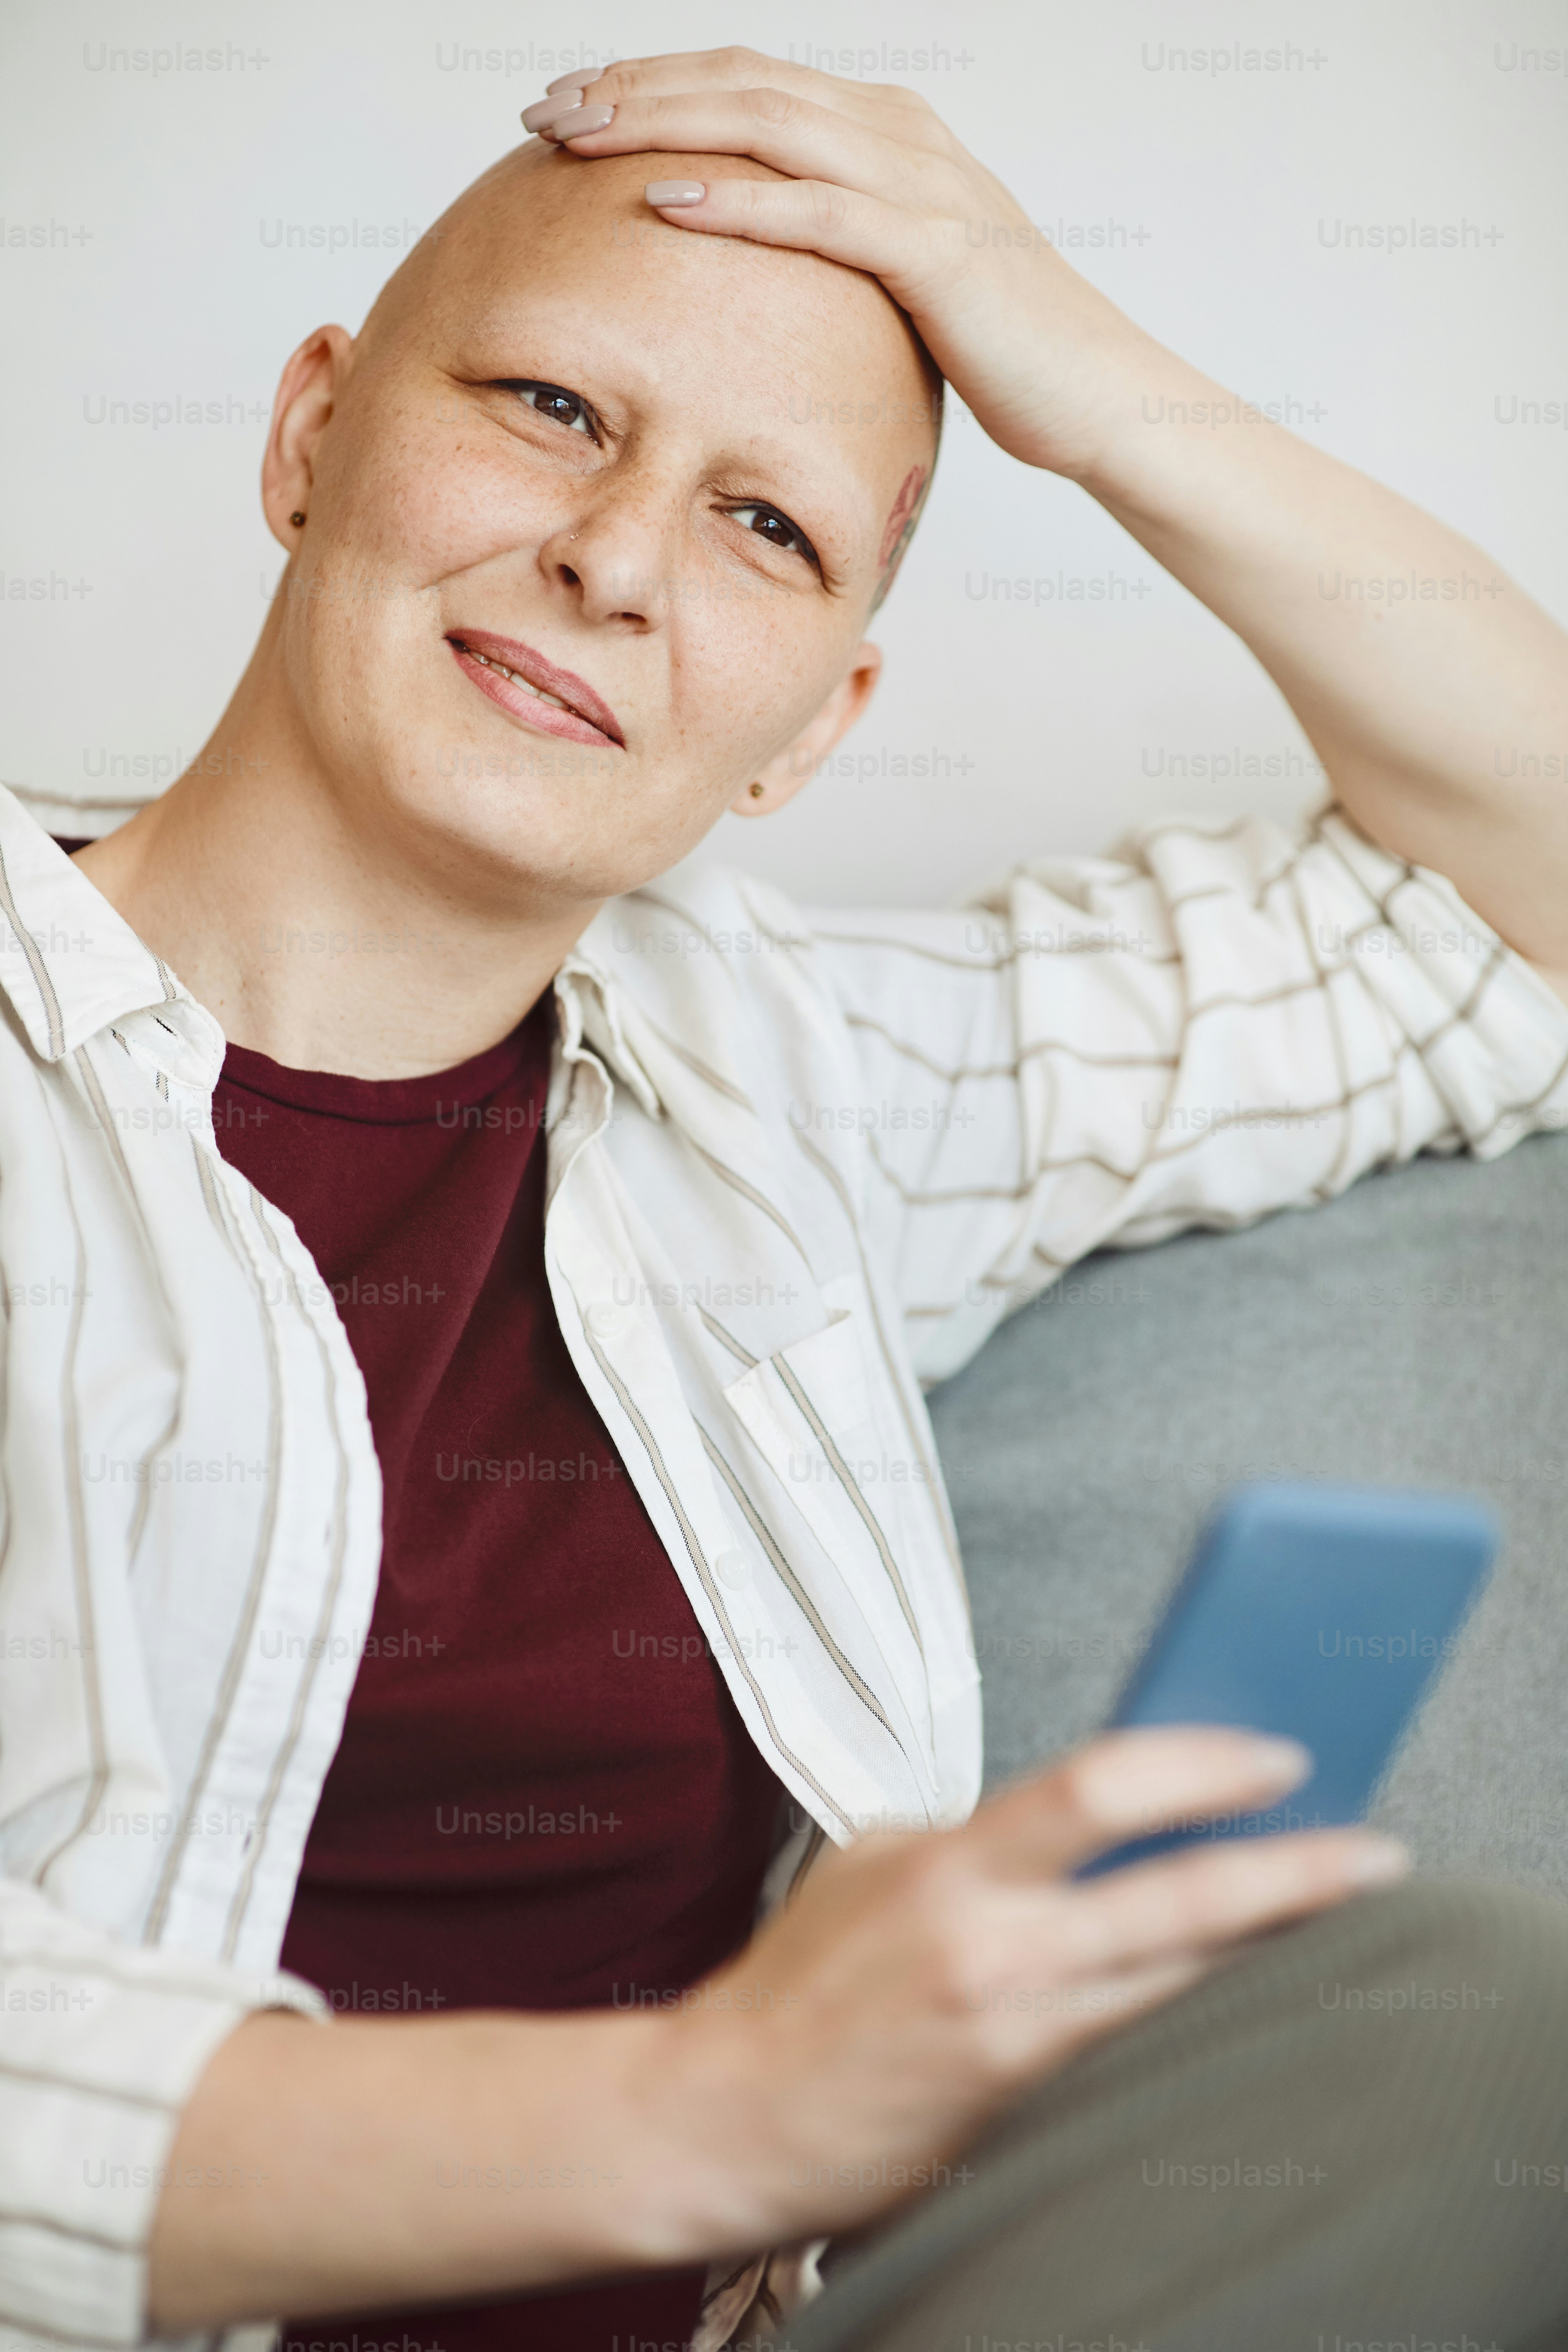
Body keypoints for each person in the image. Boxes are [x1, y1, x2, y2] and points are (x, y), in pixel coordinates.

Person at [5, 43, 1568, 2352]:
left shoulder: (785, 1082)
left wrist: (1073, 357)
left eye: (770, 527)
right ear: (311, 431)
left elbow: (1521, 900)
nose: (616, 558)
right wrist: (720, 2105)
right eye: (549, 405)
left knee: (1460, 2015)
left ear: (820, 724)